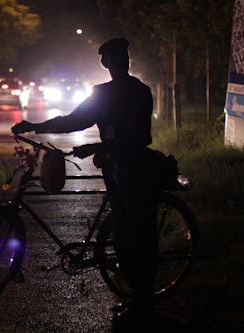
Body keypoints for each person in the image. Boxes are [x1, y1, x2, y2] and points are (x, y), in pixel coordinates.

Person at [12, 38, 157, 325]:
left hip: (133, 168)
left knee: (134, 235)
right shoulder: (110, 93)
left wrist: (99, 148)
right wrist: (36, 127)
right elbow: (73, 121)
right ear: (107, 64)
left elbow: (139, 137)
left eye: (122, 56)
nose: (120, 62)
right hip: (116, 166)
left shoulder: (138, 92)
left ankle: (142, 301)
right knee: (125, 231)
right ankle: (137, 294)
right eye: (116, 58)